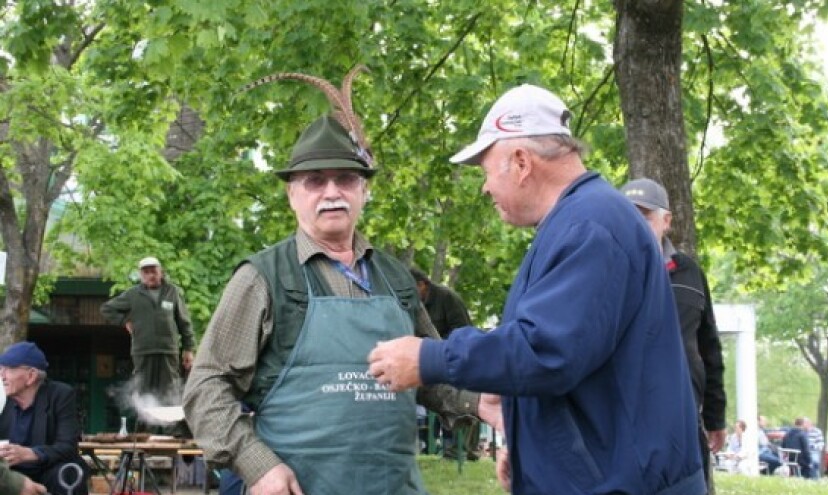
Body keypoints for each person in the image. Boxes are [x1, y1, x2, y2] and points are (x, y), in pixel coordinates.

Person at [369, 83, 706, 494]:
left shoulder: (591, 226)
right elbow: (581, 361)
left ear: (522, 162)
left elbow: (545, 351)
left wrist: (430, 357)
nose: (485, 186)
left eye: (486, 169)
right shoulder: (583, 220)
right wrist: (533, 449)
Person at [182, 68, 497, 495]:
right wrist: (258, 466)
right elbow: (206, 386)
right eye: (314, 181)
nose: (332, 192)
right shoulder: (263, 278)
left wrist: (478, 402)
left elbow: (428, 370)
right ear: (291, 194)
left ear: (364, 191)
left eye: (346, 179)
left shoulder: (396, 279)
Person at [620, 177, 727, 490]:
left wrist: (715, 417)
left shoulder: (690, 272)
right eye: (627, 217)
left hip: (684, 420)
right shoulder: (607, 270)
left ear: (665, 221)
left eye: (644, 216)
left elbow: (709, 347)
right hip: (626, 423)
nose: (635, 225)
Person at [101, 257, 196, 406]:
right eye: (146, 272)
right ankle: (143, 427)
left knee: (170, 389)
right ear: (140, 275)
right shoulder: (133, 294)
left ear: (161, 272)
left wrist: (189, 349)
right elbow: (107, 308)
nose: (150, 275)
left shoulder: (173, 291)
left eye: (153, 271)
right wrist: (125, 320)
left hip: (168, 349)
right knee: (143, 390)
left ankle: (172, 429)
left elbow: (184, 322)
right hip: (142, 350)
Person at [409, 267, 480, 461]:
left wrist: (444, 351)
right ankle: (450, 450)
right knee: (441, 404)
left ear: (422, 284)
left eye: (412, 287)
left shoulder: (448, 298)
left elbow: (464, 331)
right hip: (432, 360)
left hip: (457, 359)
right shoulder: (415, 304)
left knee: (464, 401)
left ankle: (464, 450)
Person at [0, 342, 89, 495]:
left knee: (67, 472)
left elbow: (68, 446)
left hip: (48, 469)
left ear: (31, 376)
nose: (2, 375)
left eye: (9, 369)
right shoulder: (1, 399)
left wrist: (31, 453)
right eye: (0, 369)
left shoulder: (60, 395)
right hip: (11, 471)